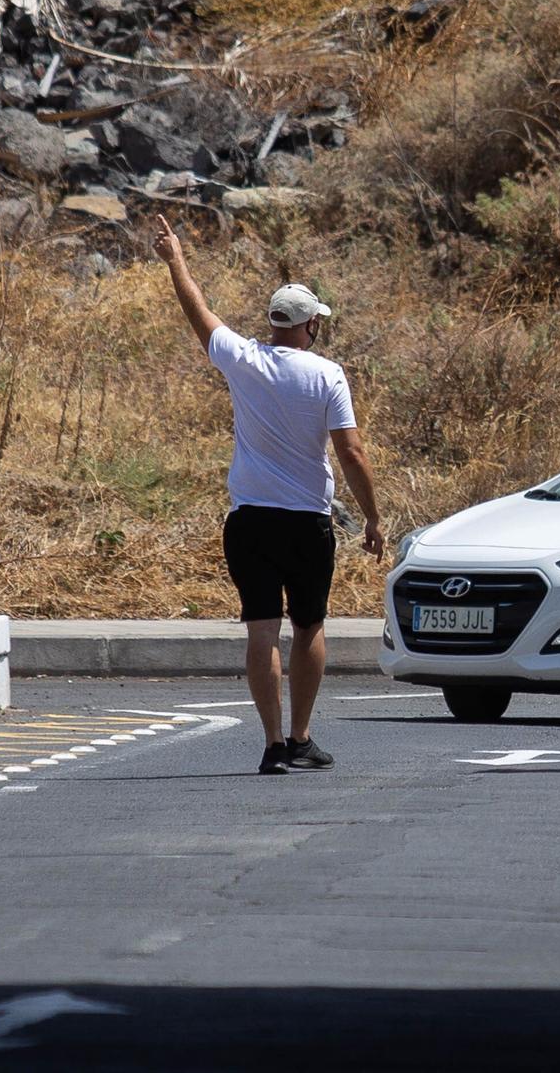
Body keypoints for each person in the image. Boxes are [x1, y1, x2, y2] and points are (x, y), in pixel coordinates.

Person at [151, 215, 385, 776]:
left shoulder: (244, 358)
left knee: (261, 627)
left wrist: (175, 259)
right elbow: (350, 453)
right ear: (310, 327)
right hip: (306, 522)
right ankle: (302, 736)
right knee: (308, 626)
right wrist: (374, 519)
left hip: (250, 522)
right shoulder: (328, 375)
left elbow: (197, 311)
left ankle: (273, 743)